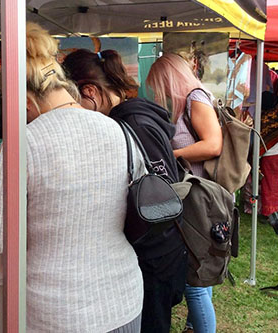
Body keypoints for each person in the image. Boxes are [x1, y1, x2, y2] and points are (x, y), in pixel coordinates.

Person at [0, 22, 144, 332]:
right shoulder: (119, 130)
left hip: (57, 312)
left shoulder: (25, 142)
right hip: (124, 298)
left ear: (26, 101)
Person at [63, 48, 187, 333]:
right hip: (159, 247)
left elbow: (160, 192)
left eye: (73, 101)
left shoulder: (131, 124)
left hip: (155, 252)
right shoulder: (136, 116)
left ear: (90, 91)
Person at [147, 53, 222, 333]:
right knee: (200, 269)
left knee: (193, 281)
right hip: (197, 195)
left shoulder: (195, 98)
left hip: (198, 196)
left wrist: (171, 153)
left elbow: (213, 145)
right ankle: (193, 325)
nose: (158, 93)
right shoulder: (194, 99)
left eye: (159, 86)